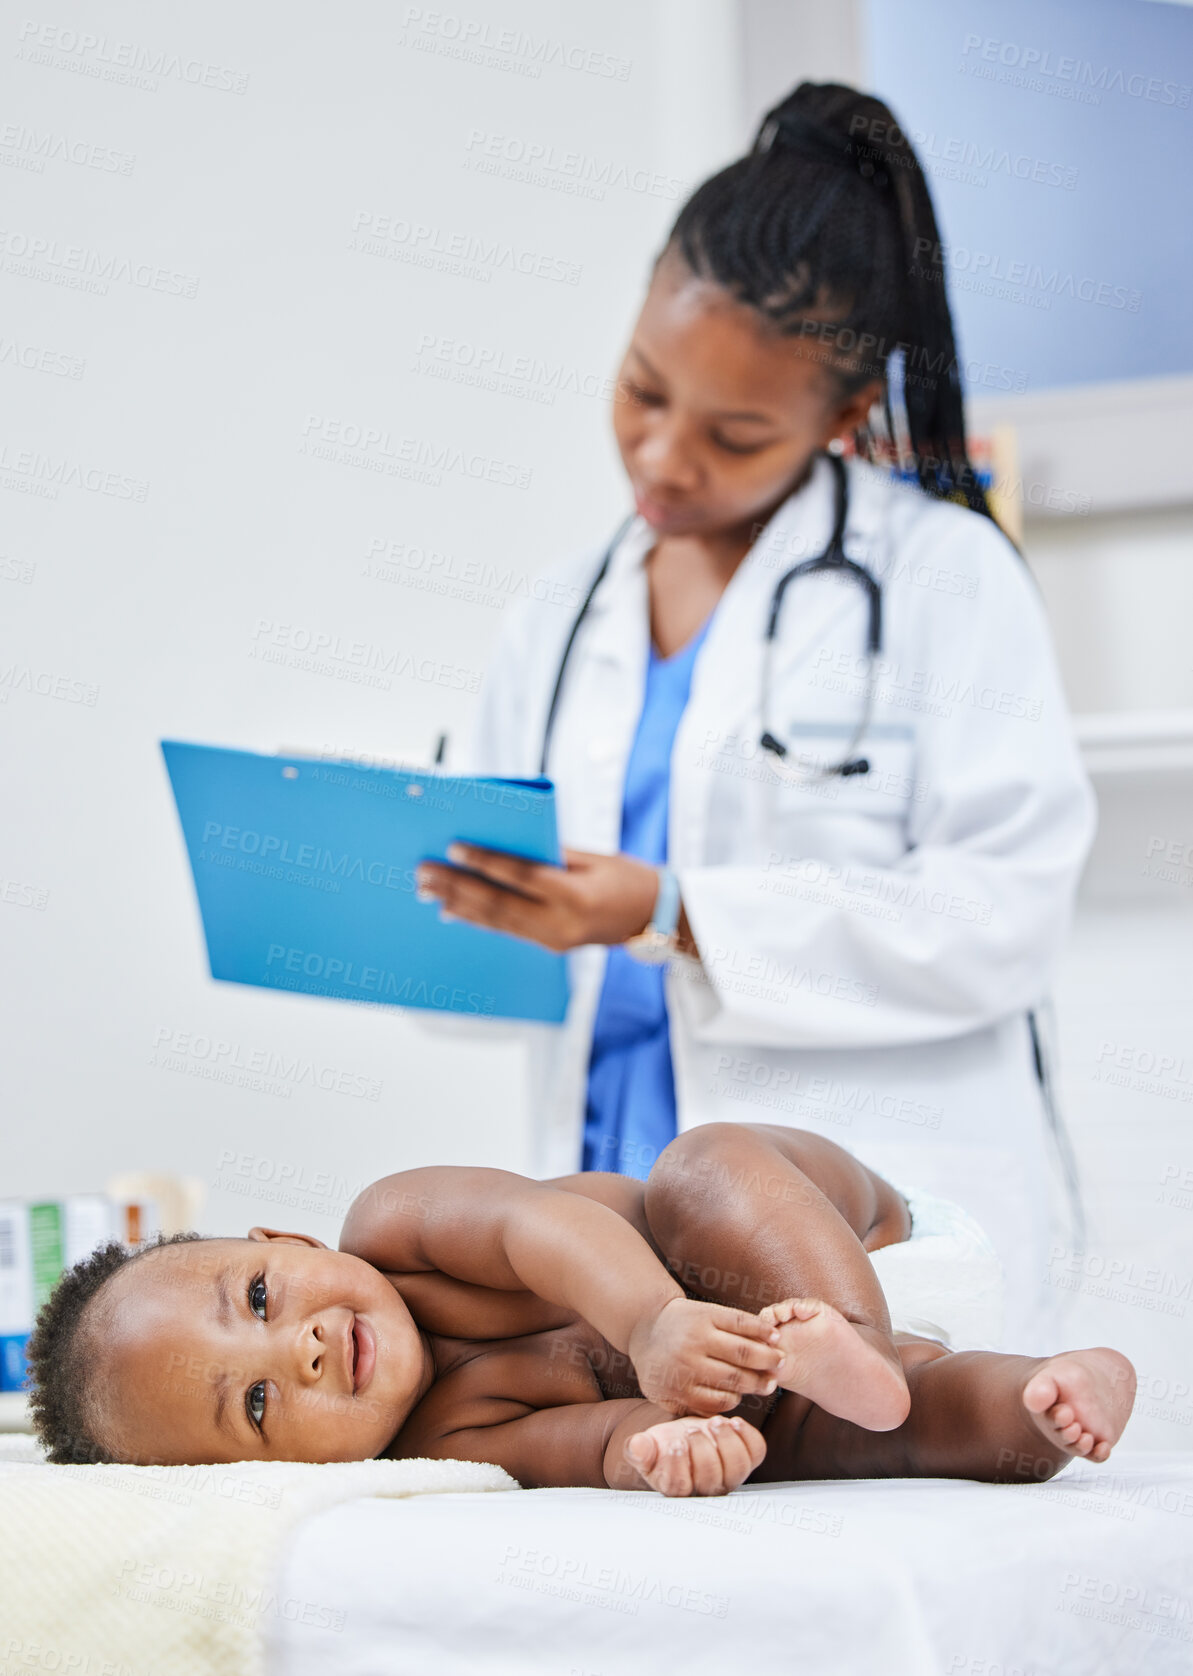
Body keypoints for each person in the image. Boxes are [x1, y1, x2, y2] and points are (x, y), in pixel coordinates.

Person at [415, 82, 1095, 1353]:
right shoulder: (561, 613)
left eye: (732, 433)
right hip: (608, 1222)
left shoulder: (942, 581)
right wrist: (420, 892)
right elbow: (496, 978)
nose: (663, 459)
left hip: (864, 1208)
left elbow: (1000, 915)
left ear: (840, 418)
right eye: (639, 389)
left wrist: (674, 913)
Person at [26, 1124, 1135, 1495]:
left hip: (840, 1235)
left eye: (260, 1297)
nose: (303, 1344)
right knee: (863, 1438)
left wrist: (654, 1320)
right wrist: (673, 1448)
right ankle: (1050, 1395)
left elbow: (535, 1228)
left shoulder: (395, 1224)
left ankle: (855, 1337)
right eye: (259, 1402)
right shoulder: (448, 1444)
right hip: (788, 1376)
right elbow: (592, 1441)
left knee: (697, 1169)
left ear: (285, 1243)